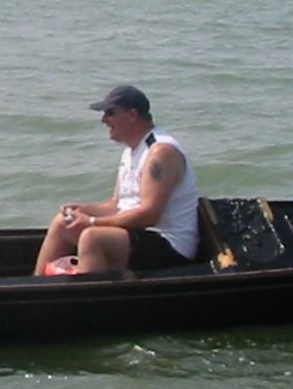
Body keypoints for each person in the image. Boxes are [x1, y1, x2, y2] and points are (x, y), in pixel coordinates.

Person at [34, 85, 200, 277]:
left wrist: (92, 222)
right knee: (63, 222)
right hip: (138, 234)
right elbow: (117, 205)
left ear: (132, 115)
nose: (104, 119)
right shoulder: (130, 151)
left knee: (92, 237)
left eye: (110, 113)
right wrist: (84, 210)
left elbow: (149, 215)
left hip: (170, 243)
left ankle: (92, 292)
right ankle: (35, 286)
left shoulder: (160, 153)